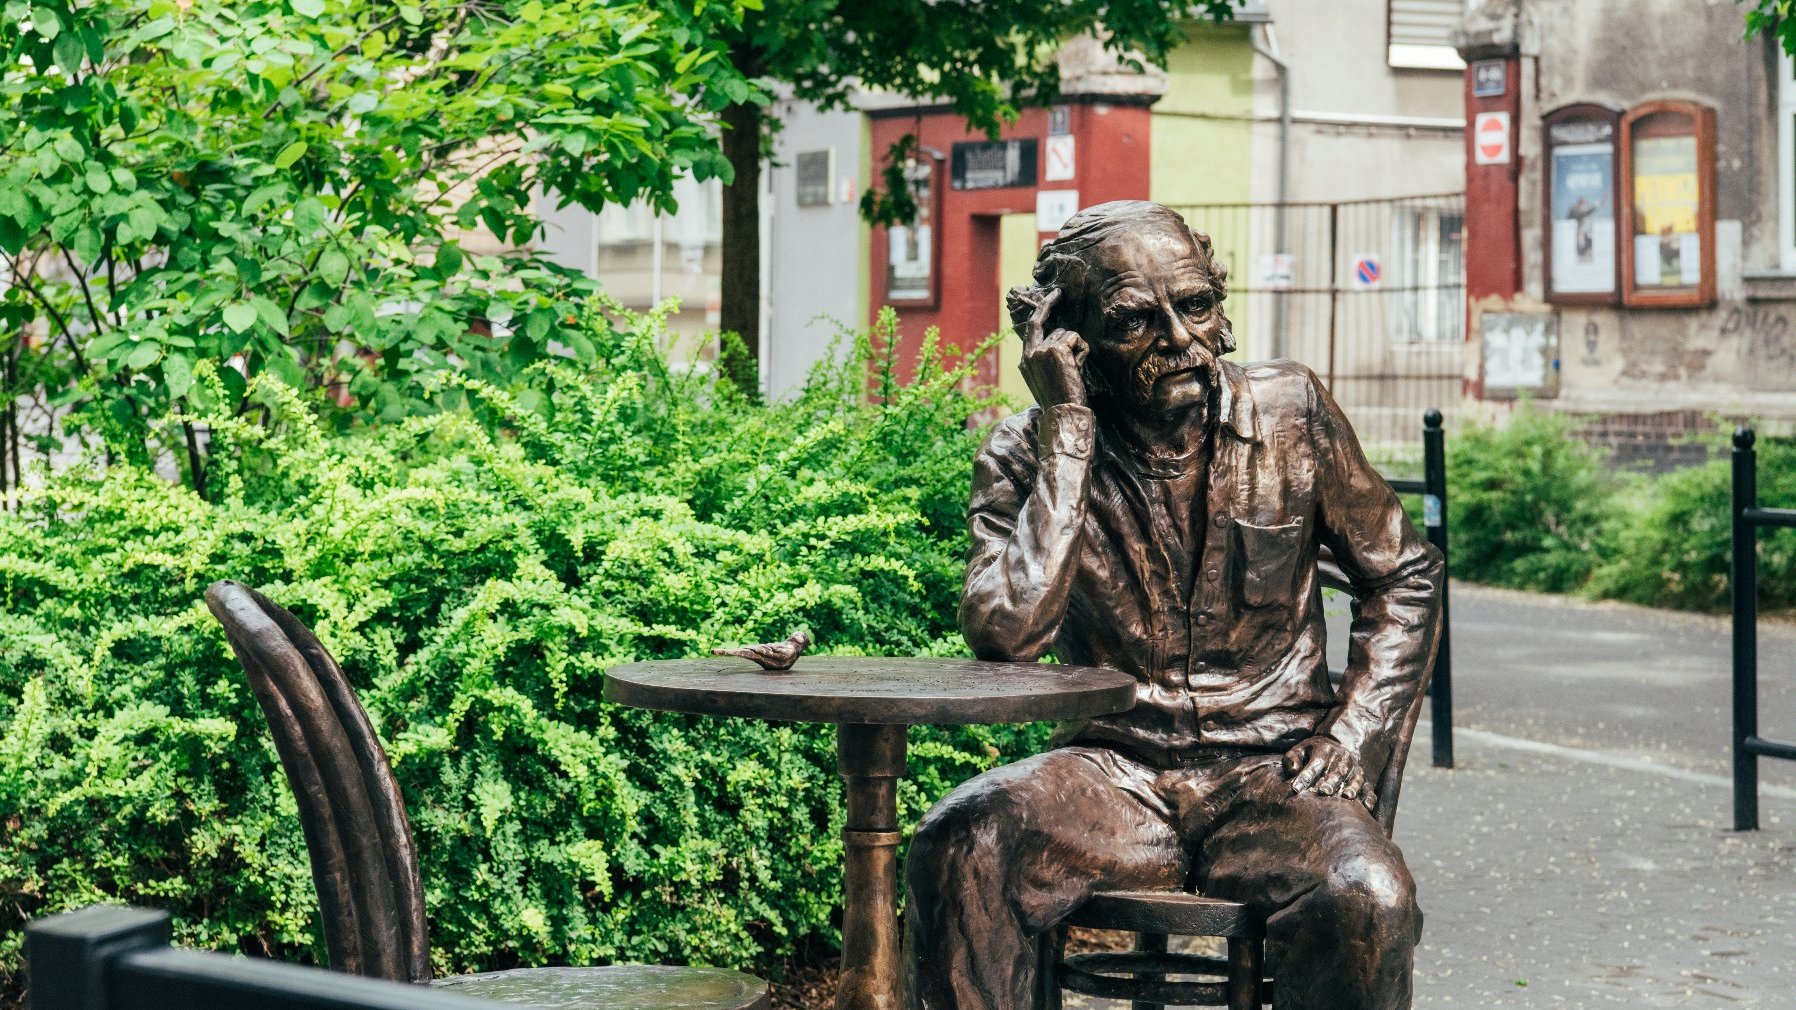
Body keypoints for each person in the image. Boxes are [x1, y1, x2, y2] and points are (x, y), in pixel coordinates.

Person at [904, 201, 1444, 1010]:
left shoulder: (1293, 413)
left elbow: (1404, 574)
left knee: (1367, 896)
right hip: (1111, 776)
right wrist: (1069, 434)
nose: (1182, 339)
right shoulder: (1025, 454)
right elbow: (1006, 631)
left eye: (1195, 305)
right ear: (1071, 338)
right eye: (1134, 321)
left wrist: (1354, 733)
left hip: (1277, 772)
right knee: (960, 844)